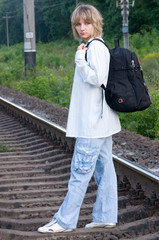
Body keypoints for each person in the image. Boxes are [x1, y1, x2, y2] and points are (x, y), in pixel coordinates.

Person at [38, 4, 121, 234]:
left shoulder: (93, 48)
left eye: (86, 23)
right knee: (105, 170)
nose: (82, 27)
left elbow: (97, 79)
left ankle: (64, 221)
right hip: (101, 122)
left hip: (92, 124)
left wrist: (80, 61)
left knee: (79, 173)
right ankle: (105, 216)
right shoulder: (96, 46)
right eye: (78, 24)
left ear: (95, 23)